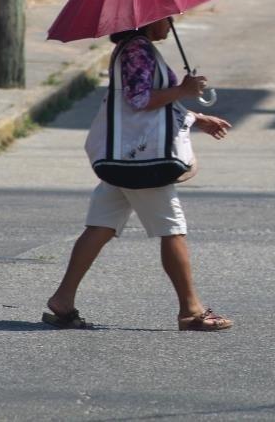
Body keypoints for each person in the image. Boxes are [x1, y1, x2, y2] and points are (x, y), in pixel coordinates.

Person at [43, 17, 234, 331]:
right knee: (172, 229)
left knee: (101, 226)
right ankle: (191, 310)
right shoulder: (137, 51)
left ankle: (63, 299)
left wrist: (196, 116)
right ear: (148, 20)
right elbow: (140, 100)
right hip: (142, 160)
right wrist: (183, 90)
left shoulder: (136, 49)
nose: (170, 24)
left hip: (126, 156)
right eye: (166, 18)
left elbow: (149, 102)